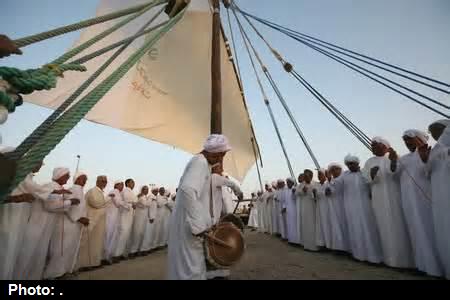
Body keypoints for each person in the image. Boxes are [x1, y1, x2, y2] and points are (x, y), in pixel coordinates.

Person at [167, 134, 231, 280]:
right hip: (191, 226)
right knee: (192, 267)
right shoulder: (200, 163)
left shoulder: (202, 163)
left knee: (190, 265)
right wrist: (199, 225)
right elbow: (187, 190)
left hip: (189, 224)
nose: (220, 160)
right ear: (211, 151)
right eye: (219, 155)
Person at [390, 130, 443, 276]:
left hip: (425, 198)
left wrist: (425, 159)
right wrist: (394, 160)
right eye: (405, 140)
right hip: (408, 200)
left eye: (410, 139)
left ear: (420, 139)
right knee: (416, 231)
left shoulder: (433, 151)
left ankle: (437, 268)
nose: (407, 143)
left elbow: (432, 171)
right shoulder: (404, 158)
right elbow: (394, 176)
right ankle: (423, 266)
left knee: (430, 231)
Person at [15, 167, 79, 280]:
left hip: (46, 226)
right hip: (37, 224)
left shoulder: (58, 188)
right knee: (28, 253)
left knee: (39, 255)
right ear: (60, 176)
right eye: (67, 175)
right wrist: (70, 202)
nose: (69, 178)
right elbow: (51, 206)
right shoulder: (50, 186)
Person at [362, 137, 413, 268]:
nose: (372, 147)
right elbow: (366, 179)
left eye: (376, 145)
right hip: (379, 199)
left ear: (385, 147)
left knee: (399, 227)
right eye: (372, 145)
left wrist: (394, 161)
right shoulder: (369, 162)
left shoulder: (393, 157)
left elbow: (397, 174)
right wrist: (372, 175)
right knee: (383, 227)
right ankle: (388, 260)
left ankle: (405, 261)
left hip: (394, 197)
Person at [0, 148, 49, 280]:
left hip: (18, 218)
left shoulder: (25, 175)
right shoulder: (21, 174)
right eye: (39, 162)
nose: (39, 166)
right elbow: (36, 190)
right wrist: (53, 192)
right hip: (10, 217)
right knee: (6, 251)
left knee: (12, 252)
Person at [334, 155, 382, 263]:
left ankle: (373, 257)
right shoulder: (345, 175)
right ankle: (358, 255)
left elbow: (372, 183)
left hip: (365, 206)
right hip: (350, 207)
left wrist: (373, 175)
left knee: (368, 229)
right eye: (348, 164)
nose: (350, 166)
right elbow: (336, 184)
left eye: (352, 163)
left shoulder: (364, 172)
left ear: (357, 163)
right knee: (354, 229)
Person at [418, 119, 450, 278]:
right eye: (432, 131)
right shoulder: (435, 150)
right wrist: (425, 160)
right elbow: (427, 172)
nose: (434, 133)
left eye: (437, 130)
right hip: (440, 195)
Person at [44, 172, 88, 279]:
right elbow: (68, 206)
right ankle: (53, 273)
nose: (85, 181)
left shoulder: (80, 190)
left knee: (70, 248)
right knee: (61, 249)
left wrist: (83, 217)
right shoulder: (74, 189)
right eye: (83, 179)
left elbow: (80, 208)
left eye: (86, 179)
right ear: (76, 179)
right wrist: (78, 218)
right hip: (68, 223)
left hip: (75, 225)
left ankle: (65, 270)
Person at [77, 175, 108, 270]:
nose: (104, 183)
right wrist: (108, 200)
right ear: (97, 181)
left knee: (96, 243)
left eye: (105, 181)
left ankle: (94, 263)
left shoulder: (100, 192)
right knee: (88, 243)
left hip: (99, 223)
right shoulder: (93, 191)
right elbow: (96, 203)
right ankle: (84, 264)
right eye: (102, 181)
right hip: (92, 221)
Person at [325, 164, 348, 252]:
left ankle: (346, 248)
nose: (334, 171)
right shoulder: (330, 181)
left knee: (344, 225)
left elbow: (338, 187)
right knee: (336, 226)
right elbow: (327, 192)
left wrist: (330, 181)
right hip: (334, 207)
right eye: (332, 170)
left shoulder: (344, 178)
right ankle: (339, 247)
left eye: (336, 169)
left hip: (343, 205)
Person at [297, 169, 318, 251]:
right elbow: (297, 193)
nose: (306, 178)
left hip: (313, 208)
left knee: (313, 225)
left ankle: (314, 246)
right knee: (306, 225)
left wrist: (315, 193)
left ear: (311, 176)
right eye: (305, 176)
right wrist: (303, 191)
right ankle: (307, 245)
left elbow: (318, 194)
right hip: (304, 208)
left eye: (307, 176)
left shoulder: (315, 184)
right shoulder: (301, 185)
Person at [115, 178, 135, 259]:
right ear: (128, 183)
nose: (133, 184)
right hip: (125, 213)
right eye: (132, 182)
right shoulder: (126, 190)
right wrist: (132, 204)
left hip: (129, 213)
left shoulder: (130, 191)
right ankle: (117, 254)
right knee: (123, 233)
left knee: (127, 234)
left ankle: (123, 253)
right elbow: (128, 200)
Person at [105, 180, 125, 264]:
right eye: (121, 185)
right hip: (111, 218)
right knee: (109, 237)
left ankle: (108, 257)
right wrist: (128, 204)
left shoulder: (117, 192)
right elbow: (118, 203)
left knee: (112, 237)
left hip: (114, 218)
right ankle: (106, 257)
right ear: (116, 185)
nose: (122, 186)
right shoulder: (115, 191)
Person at [129, 186, 152, 257]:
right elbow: (146, 204)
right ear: (142, 190)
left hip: (144, 219)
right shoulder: (141, 197)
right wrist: (150, 199)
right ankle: (132, 251)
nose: (146, 191)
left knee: (141, 234)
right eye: (145, 189)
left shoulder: (144, 197)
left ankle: (138, 250)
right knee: (137, 234)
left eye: (147, 190)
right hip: (139, 218)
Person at [313, 169, 329, 249]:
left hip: (327, 208)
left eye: (320, 174)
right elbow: (315, 197)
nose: (319, 176)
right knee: (320, 225)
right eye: (318, 175)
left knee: (327, 225)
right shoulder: (316, 185)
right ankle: (322, 244)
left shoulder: (328, 184)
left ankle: (329, 244)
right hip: (319, 207)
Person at [284, 178, 299, 245]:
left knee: (294, 225)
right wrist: (284, 207)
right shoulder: (286, 190)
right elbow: (285, 200)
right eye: (287, 182)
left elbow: (295, 198)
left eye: (289, 182)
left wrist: (293, 193)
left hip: (294, 210)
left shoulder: (295, 189)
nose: (288, 183)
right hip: (288, 210)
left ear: (292, 183)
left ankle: (296, 241)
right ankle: (290, 239)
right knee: (289, 225)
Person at [294, 174, 305, 244]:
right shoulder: (298, 186)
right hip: (299, 207)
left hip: (304, 207)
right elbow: (296, 194)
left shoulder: (305, 184)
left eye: (299, 177)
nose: (298, 178)